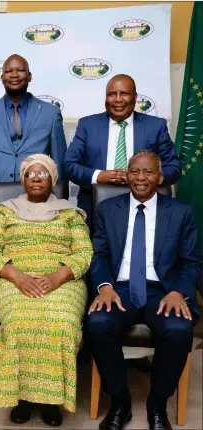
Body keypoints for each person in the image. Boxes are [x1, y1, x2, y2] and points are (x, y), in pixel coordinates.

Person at [86, 151, 201, 430]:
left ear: (160, 178)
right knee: (98, 324)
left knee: (178, 329)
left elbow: (192, 261)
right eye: (135, 171)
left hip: (164, 291)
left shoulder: (180, 212)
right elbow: (98, 254)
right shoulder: (107, 209)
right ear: (126, 176)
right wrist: (104, 287)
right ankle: (120, 402)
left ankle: (157, 405)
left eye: (148, 172)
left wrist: (179, 292)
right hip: (119, 288)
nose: (140, 177)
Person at [0, 154, 93, 425]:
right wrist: (17, 277)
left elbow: (84, 252)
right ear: (23, 180)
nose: (36, 178)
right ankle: (22, 397)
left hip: (62, 279)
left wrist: (57, 277)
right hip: (11, 277)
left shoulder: (70, 213)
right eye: (30, 174)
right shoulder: (6, 210)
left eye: (42, 174)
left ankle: (50, 400)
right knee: (19, 321)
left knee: (63, 323)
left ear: (52, 180)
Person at [62, 74, 181, 227]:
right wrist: (99, 176)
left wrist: (144, 178)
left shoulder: (155, 126)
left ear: (135, 97)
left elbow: (174, 168)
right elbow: (69, 165)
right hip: (95, 208)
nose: (118, 99)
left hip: (147, 207)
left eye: (124, 93)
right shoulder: (88, 125)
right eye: (112, 94)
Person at [0, 54, 67, 237]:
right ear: (2, 78)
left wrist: (59, 204)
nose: (14, 75)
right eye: (8, 71)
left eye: (20, 70)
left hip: (41, 204)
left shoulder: (51, 113)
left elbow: (59, 167)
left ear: (29, 76)